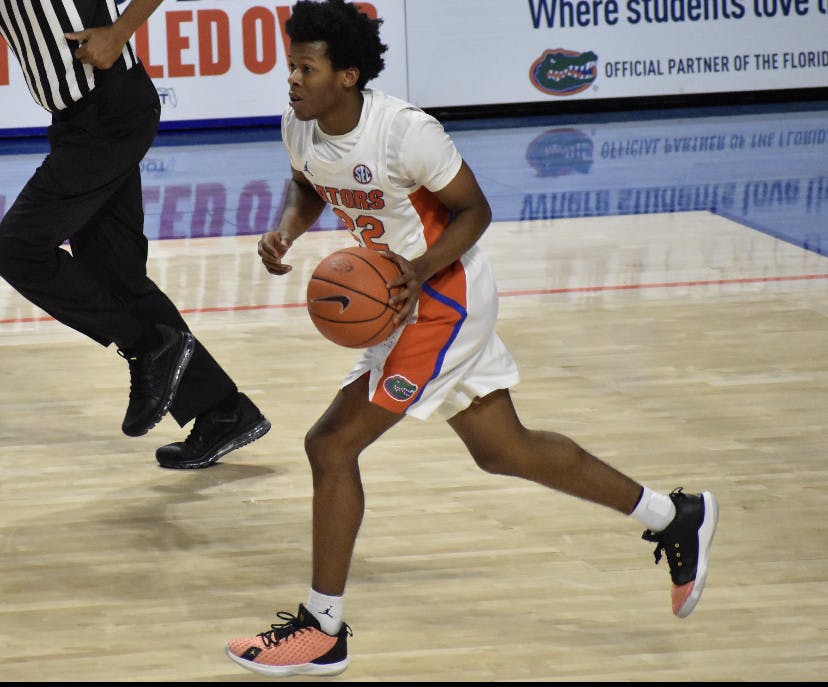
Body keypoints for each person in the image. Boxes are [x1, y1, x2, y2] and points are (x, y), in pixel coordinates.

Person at [224, 0, 719, 678]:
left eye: (305, 68)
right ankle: (673, 514)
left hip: (442, 301)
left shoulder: (404, 133)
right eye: (290, 66)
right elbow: (310, 184)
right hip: (403, 303)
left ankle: (323, 626)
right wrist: (288, 227)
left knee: (330, 444)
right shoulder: (300, 126)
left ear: (346, 75)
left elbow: (475, 209)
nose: (291, 79)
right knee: (502, 448)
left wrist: (416, 272)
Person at [0, 0, 271, 469]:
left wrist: (120, 31)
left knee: (16, 247)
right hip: (80, 119)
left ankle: (148, 345)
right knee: (114, 275)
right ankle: (222, 412)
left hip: (109, 108)